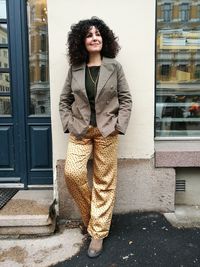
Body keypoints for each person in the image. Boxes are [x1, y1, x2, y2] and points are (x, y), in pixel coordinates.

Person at [59, 17, 132, 258]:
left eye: (98, 34)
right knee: (73, 173)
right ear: (82, 41)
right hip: (80, 131)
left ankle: (98, 233)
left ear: (105, 39)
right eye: (89, 35)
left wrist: (118, 126)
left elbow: (125, 99)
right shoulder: (75, 69)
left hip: (107, 131)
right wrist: (69, 124)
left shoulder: (114, 67)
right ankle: (92, 219)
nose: (94, 37)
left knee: (104, 182)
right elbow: (64, 101)